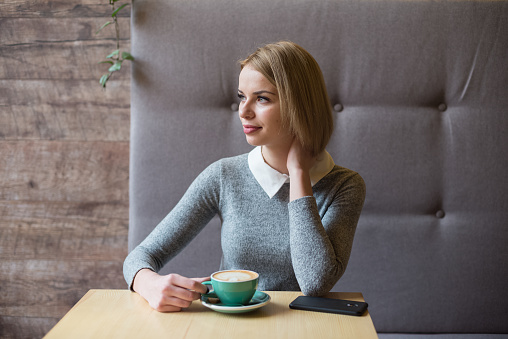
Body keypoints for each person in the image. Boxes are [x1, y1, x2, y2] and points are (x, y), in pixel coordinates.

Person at [123, 41, 366, 312]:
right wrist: (148, 283)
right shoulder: (223, 176)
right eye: (242, 96)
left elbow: (315, 282)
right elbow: (140, 257)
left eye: (262, 98)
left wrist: (298, 173)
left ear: (301, 106)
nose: (243, 111)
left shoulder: (345, 186)